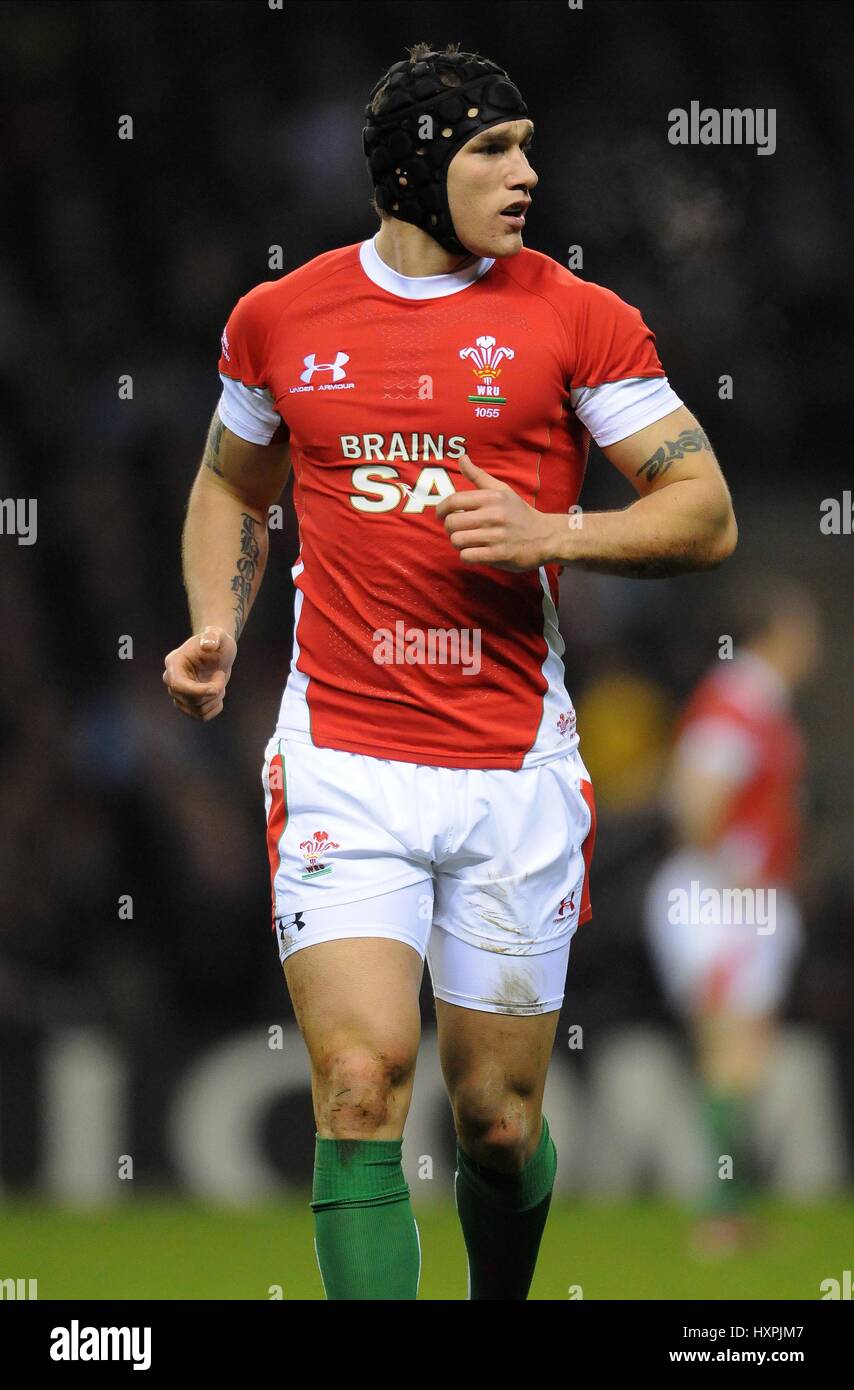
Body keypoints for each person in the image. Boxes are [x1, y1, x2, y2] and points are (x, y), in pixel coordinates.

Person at [163, 42, 737, 1299]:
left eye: (525, 144)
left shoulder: (576, 316)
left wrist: (560, 531)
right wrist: (218, 618)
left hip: (510, 770)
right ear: (417, 165)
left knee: (496, 1123)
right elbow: (228, 482)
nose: (525, 172)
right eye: (493, 146)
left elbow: (704, 513)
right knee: (360, 1082)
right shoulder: (281, 319)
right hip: (343, 760)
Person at [644, 577, 821, 1254]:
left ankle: (732, 1210)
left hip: (742, 899)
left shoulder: (763, 704)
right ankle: (719, 1216)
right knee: (730, 1052)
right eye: (804, 631)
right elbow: (693, 801)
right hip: (716, 899)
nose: (814, 646)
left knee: (744, 1057)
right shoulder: (737, 700)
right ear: (776, 632)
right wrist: (737, 868)